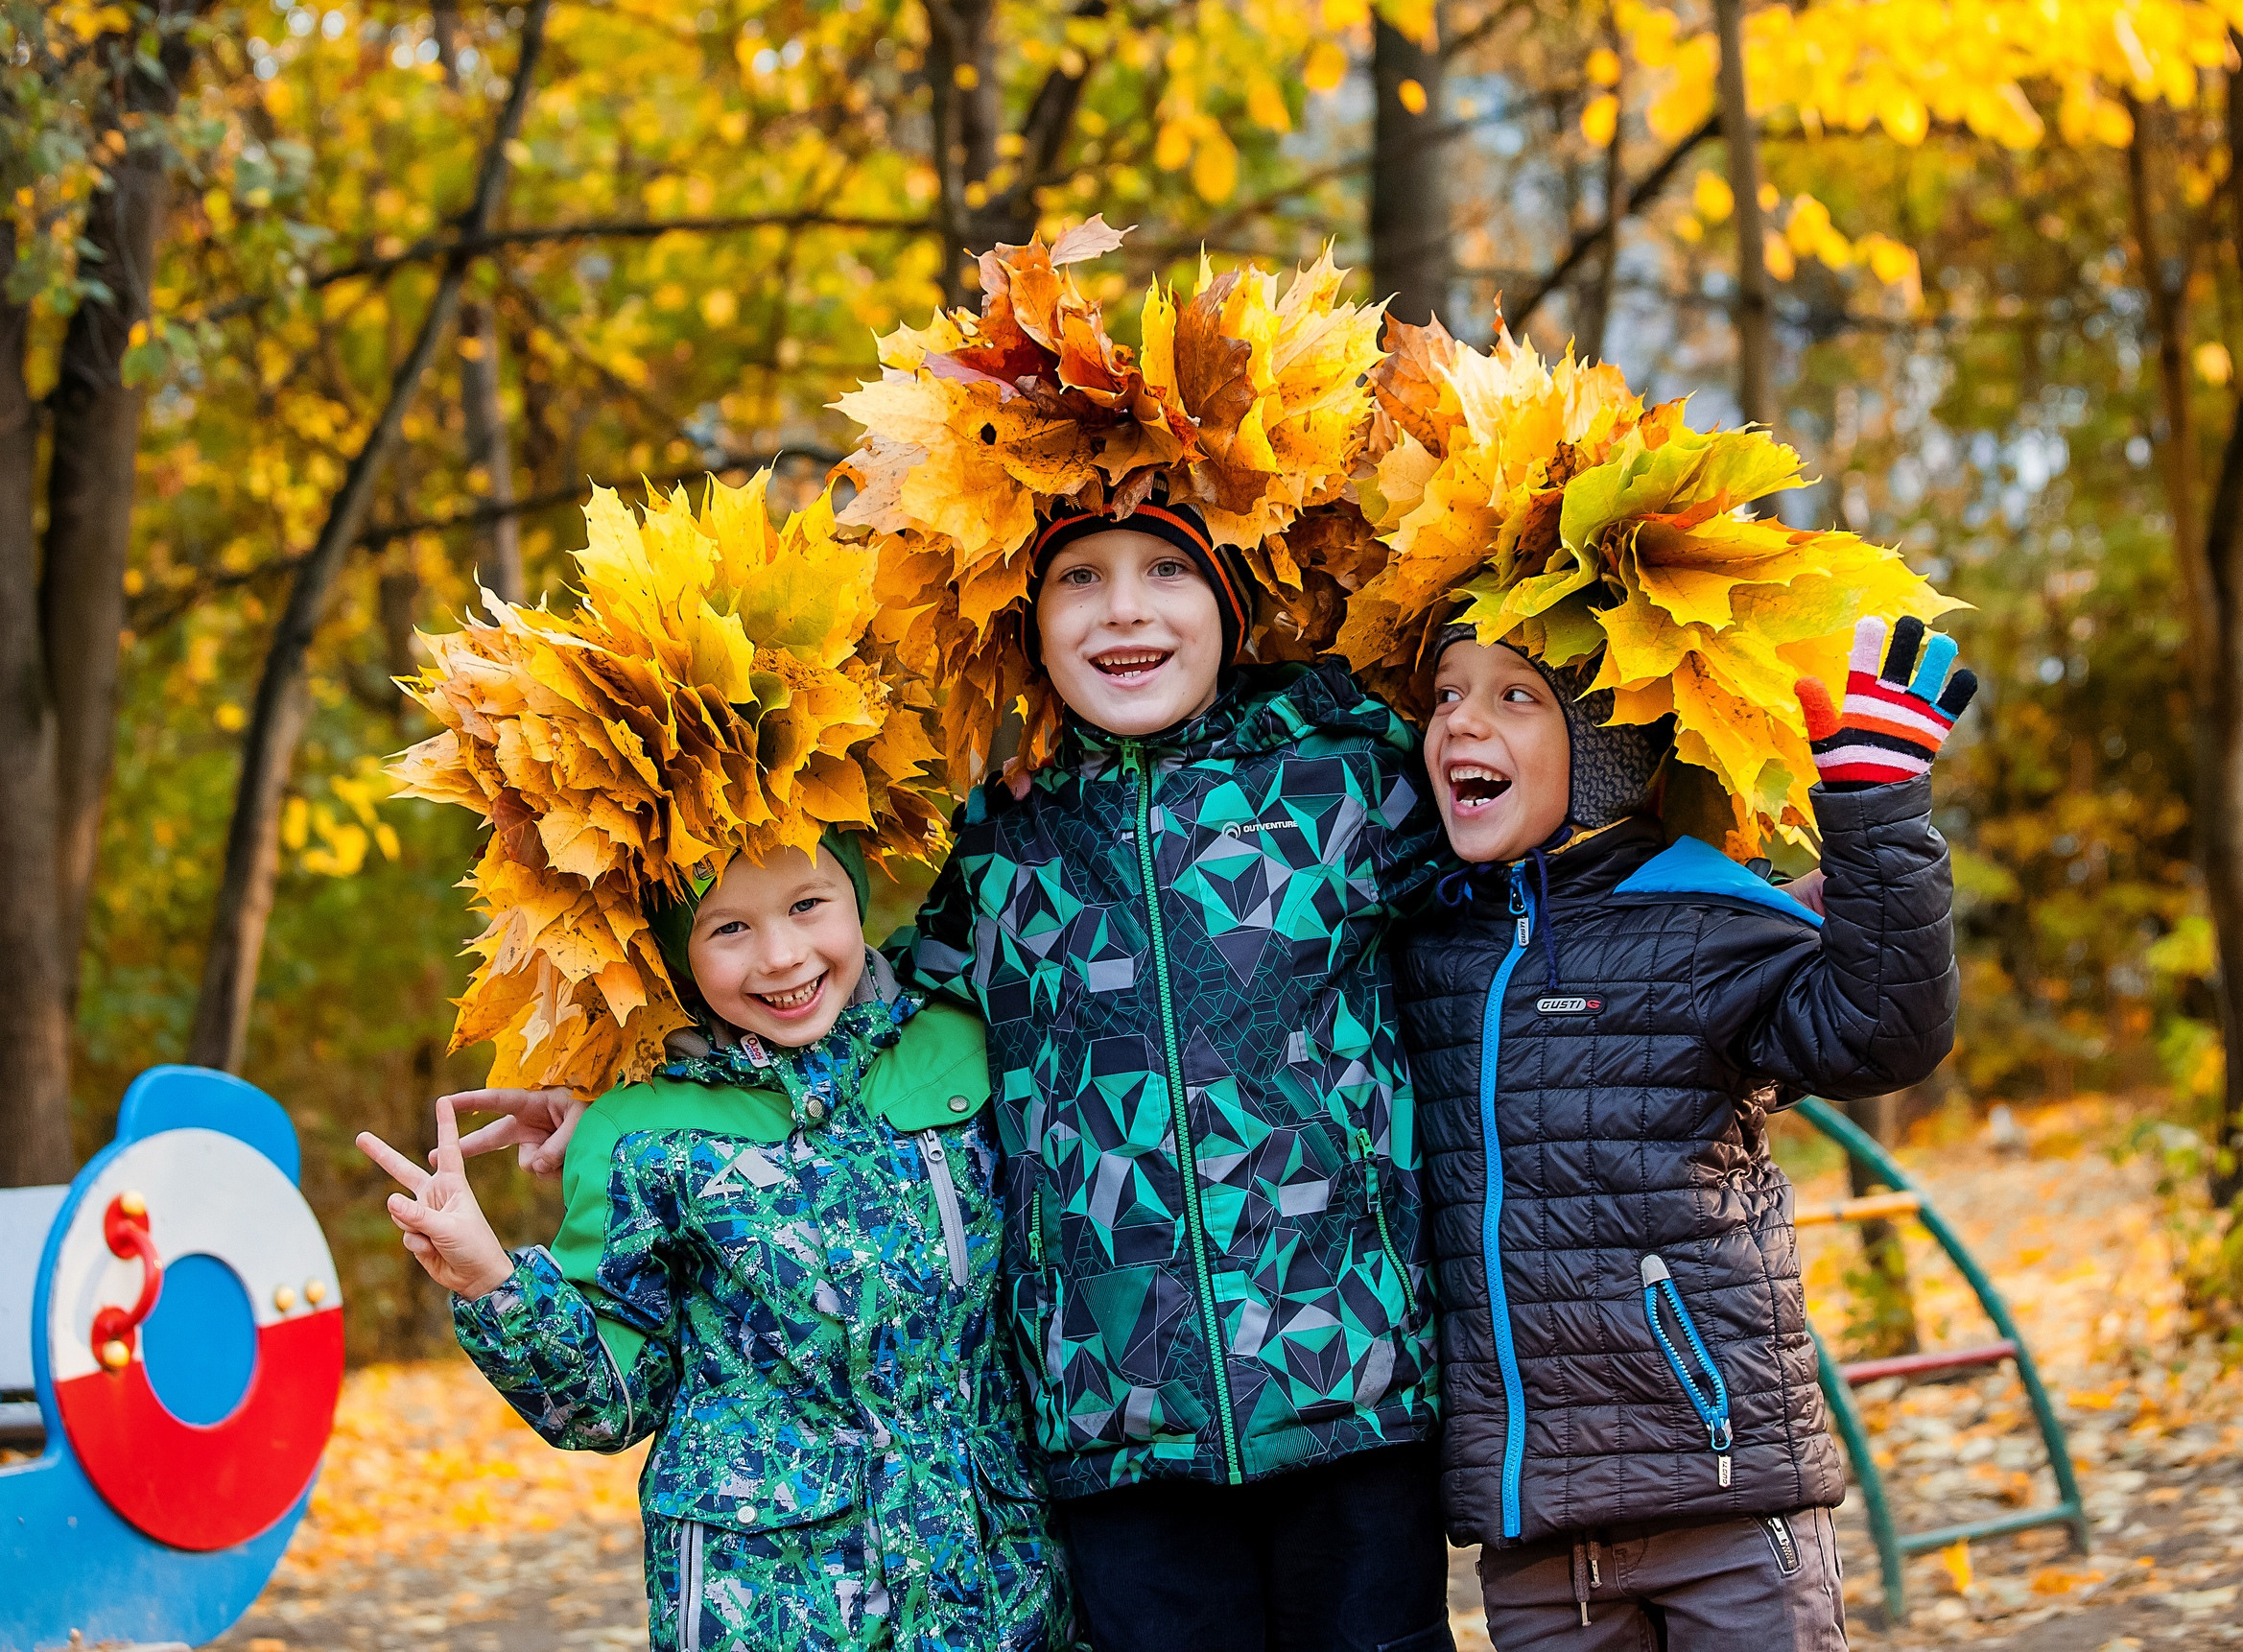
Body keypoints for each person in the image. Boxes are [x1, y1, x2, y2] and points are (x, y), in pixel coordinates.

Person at [846, 230, 1455, 1652]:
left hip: (1351, 1390)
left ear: (1228, 602)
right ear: (1027, 622)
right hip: (1110, 1417)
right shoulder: (997, 844)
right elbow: (852, 1027)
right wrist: (632, 1071)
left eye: (1163, 575)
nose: (1124, 612)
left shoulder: (1347, 769)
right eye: (1078, 581)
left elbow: (1523, 872)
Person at [1335, 327, 1974, 1651]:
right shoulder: (1422, 941)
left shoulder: (1703, 918)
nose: (1461, 724)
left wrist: (1878, 818)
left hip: (1723, 1492)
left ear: (1611, 751)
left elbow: (1885, 1024)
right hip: (1532, 1527)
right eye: (1446, 694)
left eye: (1517, 696)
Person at [360, 479, 1066, 1652]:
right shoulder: (642, 1132)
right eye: (729, 929)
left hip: (990, 1590)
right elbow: (607, 1400)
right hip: (766, 1603)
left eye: (807, 905)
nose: (783, 956)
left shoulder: (960, 1048)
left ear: (857, 893)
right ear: (675, 954)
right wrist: (492, 1280)